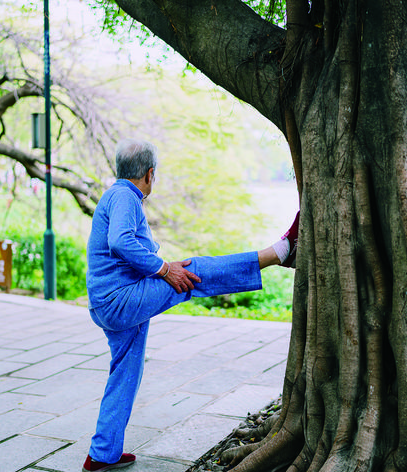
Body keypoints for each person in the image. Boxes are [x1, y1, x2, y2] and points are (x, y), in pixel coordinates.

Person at [83, 139, 299, 472]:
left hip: (109, 302)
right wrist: (164, 268)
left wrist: (161, 264)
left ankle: (102, 454)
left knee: (125, 373)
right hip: (120, 300)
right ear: (150, 174)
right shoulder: (125, 195)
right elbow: (120, 241)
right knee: (193, 272)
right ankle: (280, 252)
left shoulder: (115, 194)